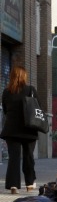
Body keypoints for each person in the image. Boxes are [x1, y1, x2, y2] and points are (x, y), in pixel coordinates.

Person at [0, 66, 39, 194]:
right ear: (24, 76)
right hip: (29, 129)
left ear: (12, 76)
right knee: (28, 156)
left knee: (13, 157)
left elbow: (5, 110)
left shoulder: (6, 92)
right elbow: (38, 108)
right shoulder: (30, 90)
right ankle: (29, 183)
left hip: (11, 130)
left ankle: (13, 186)